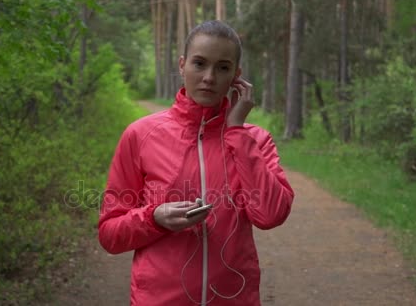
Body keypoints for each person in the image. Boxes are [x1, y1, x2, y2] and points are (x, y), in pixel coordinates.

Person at [98, 20, 294, 305]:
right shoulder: (141, 135)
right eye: (199, 64)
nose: (210, 77)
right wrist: (154, 219)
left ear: (237, 77)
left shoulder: (255, 140)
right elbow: (109, 234)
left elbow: (271, 214)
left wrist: (236, 130)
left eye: (223, 67)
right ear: (182, 65)